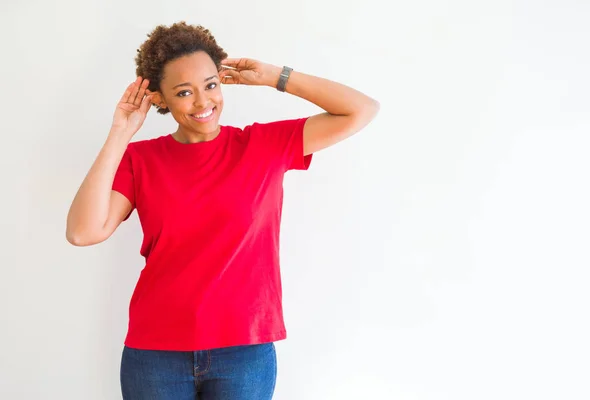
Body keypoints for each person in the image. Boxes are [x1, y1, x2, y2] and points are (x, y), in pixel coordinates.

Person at [66, 21, 379, 400]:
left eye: (210, 85)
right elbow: (83, 232)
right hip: (156, 354)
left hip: (244, 352)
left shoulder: (263, 146)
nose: (203, 102)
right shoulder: (140, 160)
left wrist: (276, 77)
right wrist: (120, 132)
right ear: (160, 98)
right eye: (184, 92)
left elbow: (360, 110)